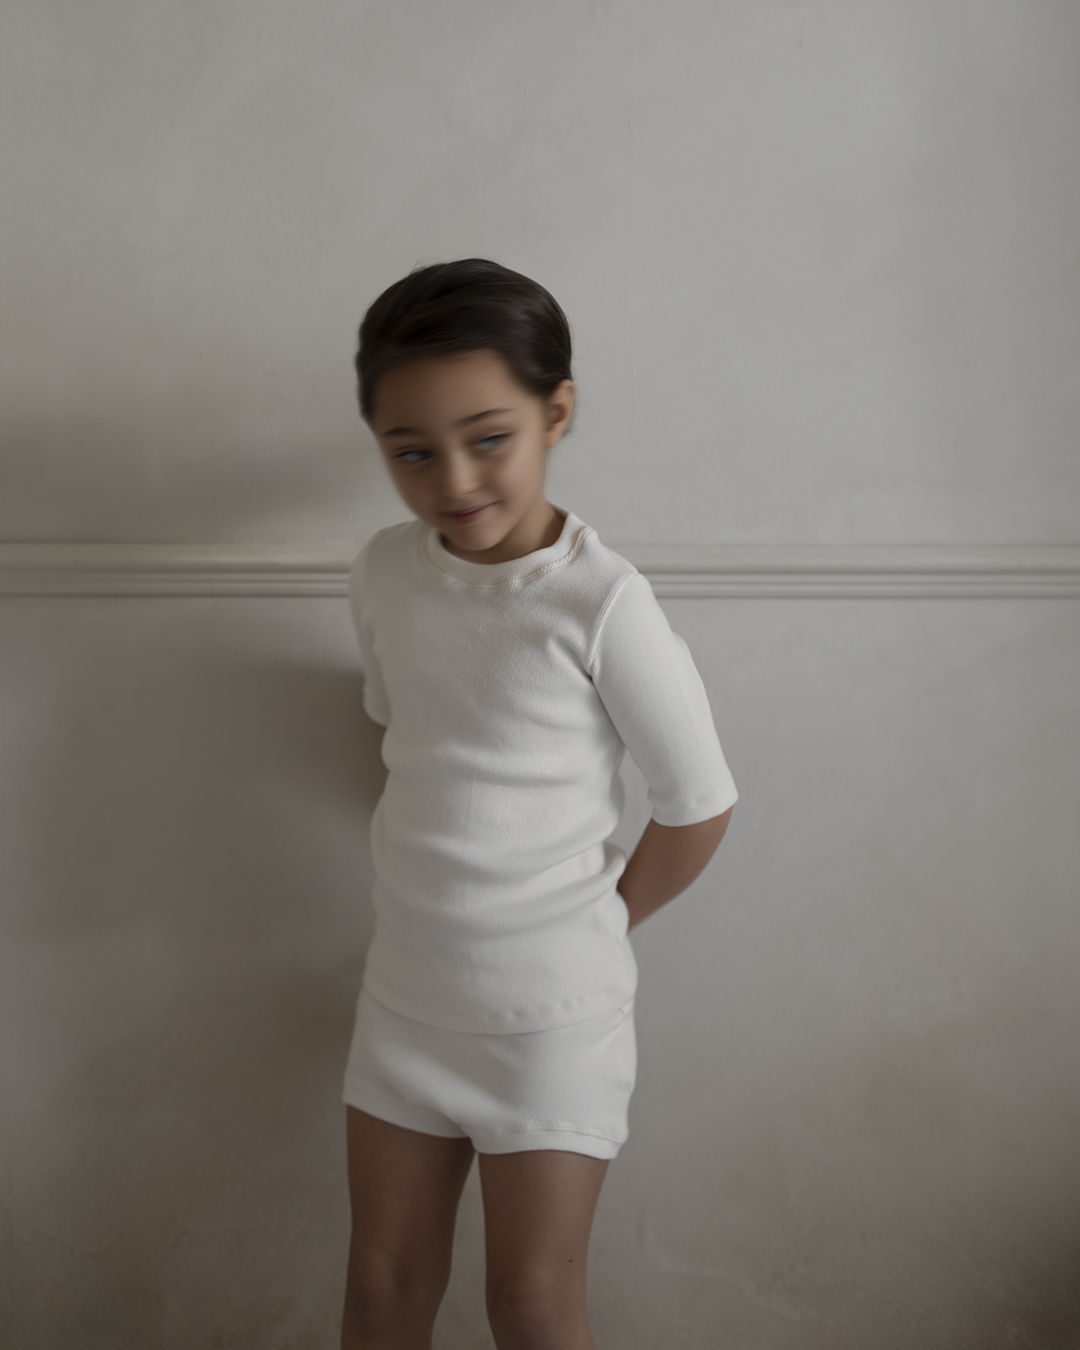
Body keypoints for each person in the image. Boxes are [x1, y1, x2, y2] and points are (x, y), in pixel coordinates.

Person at [340, 258, 738, 1350]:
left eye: (489, 437)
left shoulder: (603, 601)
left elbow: (698, 804)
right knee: (380, 1284)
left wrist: (600, 920)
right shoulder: (383, 572)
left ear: (556, 412)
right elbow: (401, 729)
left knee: (529, 1303)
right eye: (410, 452)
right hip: (404, 1000)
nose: (453, 479)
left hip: (552, 1023)